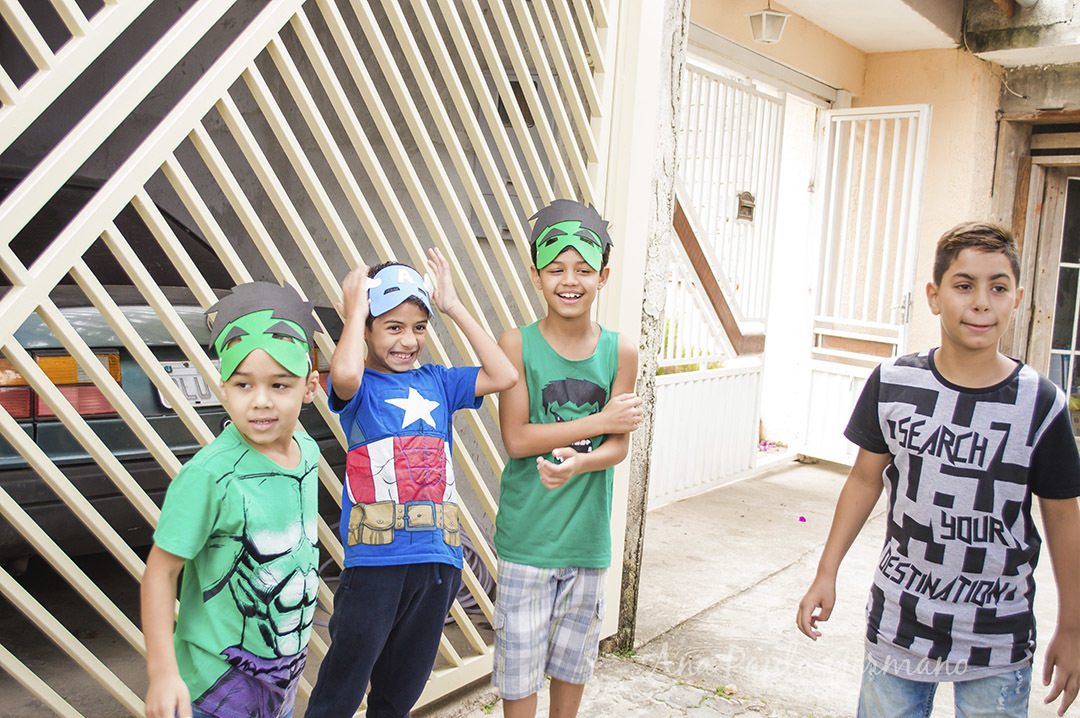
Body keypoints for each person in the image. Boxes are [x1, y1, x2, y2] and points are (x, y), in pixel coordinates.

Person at [796, 221, 1080, 717]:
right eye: (964, 285)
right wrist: (827, 572)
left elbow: (1062, 515)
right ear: (934, 295)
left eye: (998, 287)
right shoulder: (893, 382)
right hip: (899, 626)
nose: (981, 303)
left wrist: (1073, 625)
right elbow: (864, 481)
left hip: (997, 638)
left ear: (1017, 299)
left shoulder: (1042, 404)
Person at [304, 247, 517, 718]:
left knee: (399, 692)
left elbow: (503, 374)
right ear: (367, 329)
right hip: (377, 560)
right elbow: (341, 372)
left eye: (418, 328)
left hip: (438, 562)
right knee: (342, 685)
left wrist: (452, 306)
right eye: (393, 327)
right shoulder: (361, 386)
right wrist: (354, 309)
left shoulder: (439, 380)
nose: (408, 341)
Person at [141, 282, 324, 718]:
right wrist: (163, 673)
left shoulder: (307, 450)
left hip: (285, 670)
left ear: (310, 386)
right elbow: (159, 575)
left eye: (280, 384)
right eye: (244, 384)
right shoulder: (208, 476)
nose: (260, 401)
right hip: (215, 682)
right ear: (223, 387)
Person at [492, 199, 641, 718]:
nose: (569, 280)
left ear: (603, 274)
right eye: (556, 269)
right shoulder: (516, 344)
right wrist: (599, 423)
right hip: (527, 539)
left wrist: (581, 462)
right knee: (520, 665)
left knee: (573, 664)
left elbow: (619, 447)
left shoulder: (621, 351)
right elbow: (517, 438)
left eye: (582, 269)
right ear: (536, 276)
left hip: (586, 539)